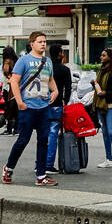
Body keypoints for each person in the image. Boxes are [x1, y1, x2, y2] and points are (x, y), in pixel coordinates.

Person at [1, 31, 59, 187]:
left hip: (43, 107)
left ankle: (41, 175)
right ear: (32, 44)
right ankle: (8, 167)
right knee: (23, 140)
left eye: (45, 41)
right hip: (28, 107)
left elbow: (50, 79)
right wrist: (20, 102)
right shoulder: (23, 61)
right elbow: (14, 81)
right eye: (40, 41)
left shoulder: (48, 62)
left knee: (43, 141)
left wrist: (56, 91)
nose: (43, 44)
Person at [44, 43, 72, 172]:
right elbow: (68, 89)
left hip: (42, 104)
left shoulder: (44, 68)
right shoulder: (64, 70)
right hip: (56, 105)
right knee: (53, 134)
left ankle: (39, 163)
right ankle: (49, 164)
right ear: (60, 54)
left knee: (43, 135)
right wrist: (64, 103)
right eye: (62, 52)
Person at [0, 47, 19, 135]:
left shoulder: (7, 61)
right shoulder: (16, 61)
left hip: (9, 87)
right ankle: (16, 129)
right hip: (16, 86)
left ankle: (9, 129)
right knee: (15, 109)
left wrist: (8, 77)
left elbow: (6, 72)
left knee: (8, 108)